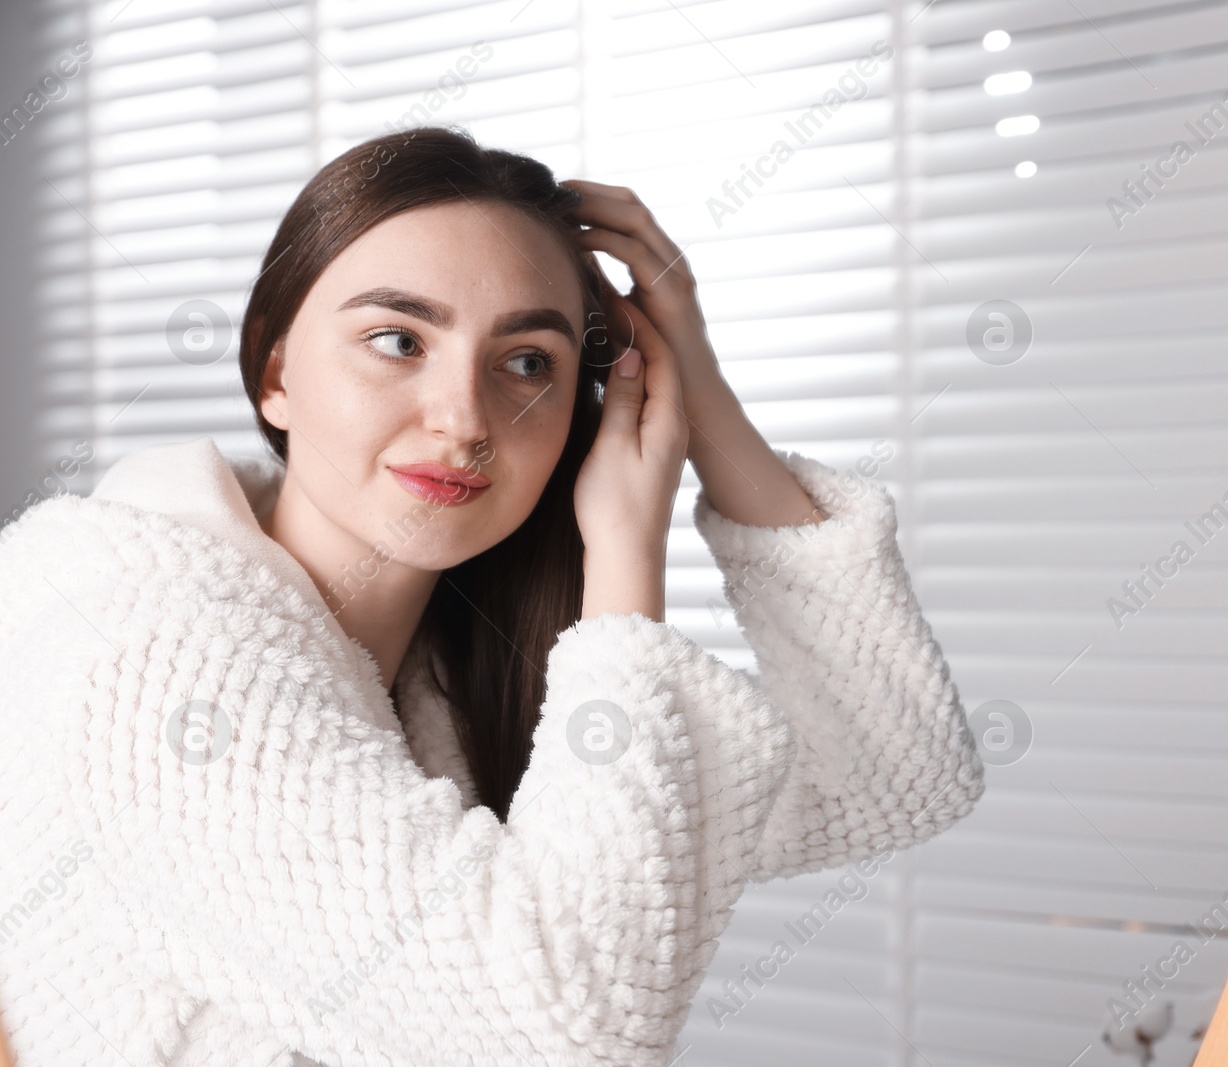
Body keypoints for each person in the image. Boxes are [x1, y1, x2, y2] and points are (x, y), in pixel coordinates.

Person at [0, 126, 983, 1066]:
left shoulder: (448, 670)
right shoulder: (149, 661)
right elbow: (569, 1029)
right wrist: (624, 574)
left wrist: (700, 394)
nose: (464, 417)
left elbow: (888, 774)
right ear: (275, 372)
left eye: (526, 362)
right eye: (396, 339)